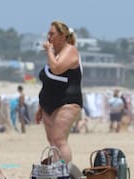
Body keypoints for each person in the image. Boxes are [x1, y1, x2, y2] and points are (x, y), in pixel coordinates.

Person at [35, 21, 83, 166]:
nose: (48, 37)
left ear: (62, 36)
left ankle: (65, 173)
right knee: (52, 141)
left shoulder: (70, 50)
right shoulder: (54, 54)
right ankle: (56, 170)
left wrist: (49, 50)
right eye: (48, 33)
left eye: (52, 34)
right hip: (48, 105)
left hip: (67, 102)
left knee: (59, 139)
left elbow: (56, 69)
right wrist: (40, 107)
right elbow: (48, 83)